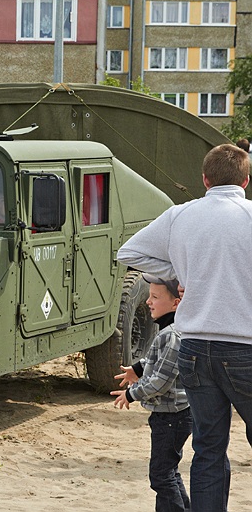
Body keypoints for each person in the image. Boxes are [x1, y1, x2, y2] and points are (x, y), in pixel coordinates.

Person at [116, 143, 252, 511]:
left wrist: (181, 275)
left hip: (194, 347)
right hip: (243, 346)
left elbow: (128, 252)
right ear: (245, 181)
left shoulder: (180, 215)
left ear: (205, 180)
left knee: (208, 448)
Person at [111, 274, 191, 512]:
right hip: (171, 416)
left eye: (155, 297)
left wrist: (131, 394)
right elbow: (160, 361)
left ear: (175, 303)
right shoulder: (171, 331)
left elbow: (160, 381)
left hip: (172, 417)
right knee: (168, 472)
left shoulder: (172, 335)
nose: (148, 301)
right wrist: (137, 368)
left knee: (161, 476)